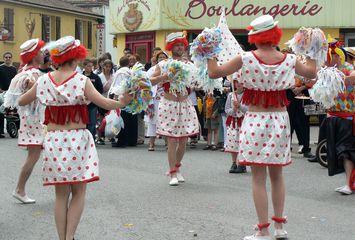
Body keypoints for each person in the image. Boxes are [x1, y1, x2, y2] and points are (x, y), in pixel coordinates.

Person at [207, 15, 317, 240]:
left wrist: (209, 50)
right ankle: (280, 228)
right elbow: (312, 73)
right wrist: (312, 47)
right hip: (279, 120)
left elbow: (213, 73)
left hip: (256, 121)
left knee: (258, 178)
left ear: (254, 36)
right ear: (275, 34)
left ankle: (263, 229)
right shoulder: (289, 59)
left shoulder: (244, 58)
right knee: (277, 176)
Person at [17, 36, 132, 240]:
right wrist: (122, 102)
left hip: (53, 140)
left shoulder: (44, 80)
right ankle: (70, 237)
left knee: (60, 196)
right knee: (78, 192)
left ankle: (63, 239)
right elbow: (104, 103)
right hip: (77, 140)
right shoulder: (81, 80)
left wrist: (27, 85)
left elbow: (21, 100)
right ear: (75, 57)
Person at [150, 32, 199, 186]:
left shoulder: (190, 65)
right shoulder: (164, 64)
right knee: (172, 140)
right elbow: (150, 81)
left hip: (185, 104)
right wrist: (164, 77)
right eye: (176, 45)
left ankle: (177, 167)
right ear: (171, 47)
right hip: (169, 104)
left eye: (181, 45)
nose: (179, 47)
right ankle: (172, 172)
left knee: (184, 139)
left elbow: (196, 83)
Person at [4, 39, 46, 203]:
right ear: (34, 55)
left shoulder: (24, 72)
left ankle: (20, 189)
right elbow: (30, 96)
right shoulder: (31, 75)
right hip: (35, 121)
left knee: (35, 155)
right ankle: (20, 189)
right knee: (33, 156)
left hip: (31, 121)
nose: (43, 54)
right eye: (41, 52)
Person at [320, 38, 355, 195]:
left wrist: (339, 78)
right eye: (329, 55)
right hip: (333, 115)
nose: (331, 58)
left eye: (334, 55)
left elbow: (352, 77)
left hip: (346, 116)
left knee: (345, 150)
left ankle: (349, 184)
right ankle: (348, 182)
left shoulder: (347, 67)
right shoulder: (326, 71)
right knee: (338, 151)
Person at [112, 56, 138, 147]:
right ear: (128, 63)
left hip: (123, 97)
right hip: (132, 96)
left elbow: (118, 86)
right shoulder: (131, 71)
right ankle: (132, 140)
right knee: (132, 118)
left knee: (123, 119)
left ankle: (122, 141)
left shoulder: (120, 72)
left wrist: (115, 98)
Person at [145, 51, 169, 151]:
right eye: (160, 58)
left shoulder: (170, 68)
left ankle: (168, 142)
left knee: (167, 121)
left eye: (164, 57)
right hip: (154, 99)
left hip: (167, 98)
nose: (162, 59)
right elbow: (146, 82)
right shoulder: (152, 70)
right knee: (152, 122)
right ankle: (151, 143)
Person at [225, 81, 248, 173]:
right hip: (233, 122)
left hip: (243, 121)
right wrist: (233, 110)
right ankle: (234, 163)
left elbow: (249, 109)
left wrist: (240, 106)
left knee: (243, 142)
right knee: (232, 142)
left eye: (241, 82)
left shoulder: (247, 95)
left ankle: (242, 163)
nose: (239, 84)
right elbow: (226, 109)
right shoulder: (231, 95)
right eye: (237, 82)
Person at [83, 58, 103, 138]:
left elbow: (100, 89)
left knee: (92, 122)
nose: (90, 68)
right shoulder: (80, 76)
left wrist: (94, 97)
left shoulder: (96, 77)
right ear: (84, 66)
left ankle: (91, 138)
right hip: (82, 104)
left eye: (91, 66)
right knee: (84, 123)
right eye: (88, 66)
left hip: (93, 104)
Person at [0, 51, 17, 138]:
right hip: (2, 92)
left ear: (11, 58)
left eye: (9, 57)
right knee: (1, 111)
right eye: (6, 57)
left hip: (12, 93)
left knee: (15, 110)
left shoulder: (14, 69)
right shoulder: (0, 68)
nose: (7, 58)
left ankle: (16, 129)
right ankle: (0, 131)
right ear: (4, 58)